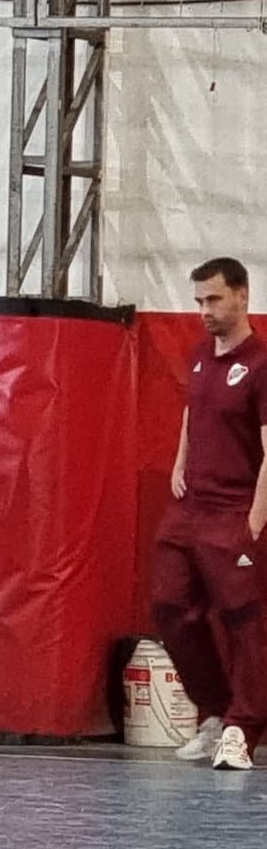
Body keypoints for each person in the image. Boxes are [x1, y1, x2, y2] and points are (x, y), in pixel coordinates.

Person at [153, 256, 267, 771]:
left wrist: (256, 520)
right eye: (199, 300)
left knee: (247, 624)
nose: (204, 310)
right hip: (190, 509)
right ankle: (216, 714)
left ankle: (244, 729)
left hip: (236, 511)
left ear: (242, 296)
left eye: (214, 299)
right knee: (169, 606)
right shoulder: (201, 359)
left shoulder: (262, 365)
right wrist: (179, 464)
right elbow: (192, 413)